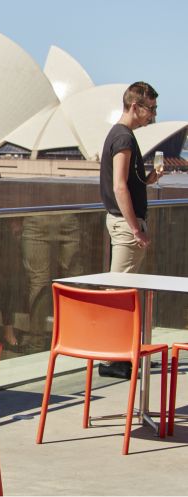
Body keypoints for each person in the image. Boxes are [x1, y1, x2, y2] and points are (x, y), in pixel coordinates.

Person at [99, 81, 162, 379]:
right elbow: (119, 186)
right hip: (126, 226)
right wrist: (136, 229)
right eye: (150, 109)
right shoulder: (123, 137)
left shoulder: (123, 135)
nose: (153, 115)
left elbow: (128, 181)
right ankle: (113, 359)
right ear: (134, 106)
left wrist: (147, 180)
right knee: (120, 292)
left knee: (124, 290)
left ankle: (123, 354)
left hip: (125, 224)